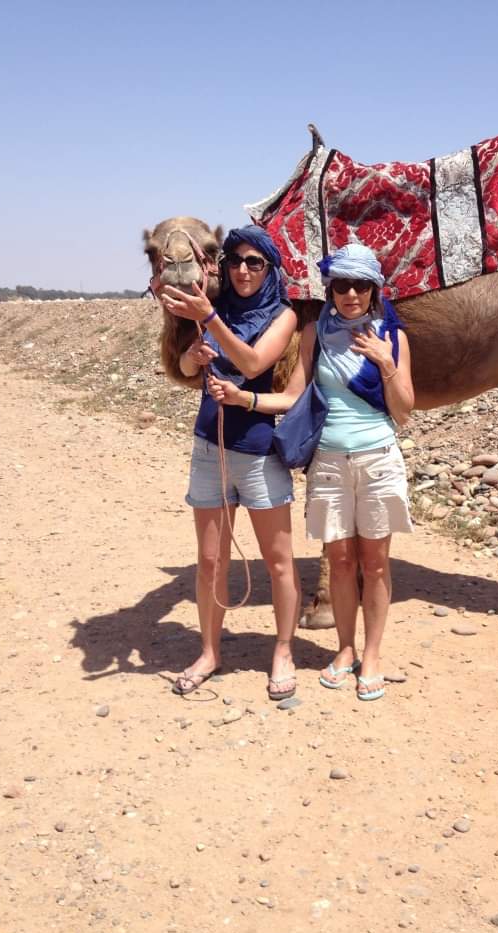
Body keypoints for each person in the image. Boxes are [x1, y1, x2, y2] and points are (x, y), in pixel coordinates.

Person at [209, 243, 414, 701]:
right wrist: (246, 400)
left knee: (375, 563)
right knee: (339, 562)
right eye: (341, 285)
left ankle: (372, 655)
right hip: (328, 463)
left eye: (360, 285)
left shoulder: (393, 337)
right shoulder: (314, 332)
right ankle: (345, 649)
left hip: (377, 459)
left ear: (374, 289)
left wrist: (385, 362)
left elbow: (404, 411)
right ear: (330, 289)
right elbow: (293, 396)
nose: (350, 294)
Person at [159, 225, 301, 700]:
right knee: (209, 561)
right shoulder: (214, 307)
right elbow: (184, 370)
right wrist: (193, 357)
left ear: (270, 268)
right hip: (208, 449)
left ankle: (283, 651)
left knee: (279, 562)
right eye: (235, 261)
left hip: (258, 454)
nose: (242, 270)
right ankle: (209, 652)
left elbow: (254, 363)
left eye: (254, 262)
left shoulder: (282, 316)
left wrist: (210, 319)